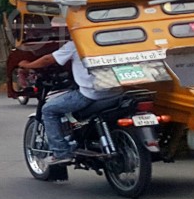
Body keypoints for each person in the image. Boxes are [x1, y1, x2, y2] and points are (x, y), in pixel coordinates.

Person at [21, 30, 122, 167]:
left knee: (49, 109)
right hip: (116, 91)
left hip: (90, 94)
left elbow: (47, 60)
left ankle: (61, 153)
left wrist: (26, 65)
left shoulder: (75, 44)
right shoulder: (110, 40)